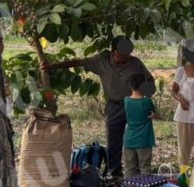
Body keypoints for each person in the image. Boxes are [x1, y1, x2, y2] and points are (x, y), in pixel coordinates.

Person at [45, 36, 156, 178]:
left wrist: (146, 97)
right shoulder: (101, 61)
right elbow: (78, 62)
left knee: (139, 137)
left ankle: (141, 171)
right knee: (113, 138)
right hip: (114, 105)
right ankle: (115, 172)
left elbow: (150, 79)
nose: (126, 58)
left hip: (134, 105)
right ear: (113, 51)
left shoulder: (135, 63)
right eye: (122, 55)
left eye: (128, 55)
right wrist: (52, 67)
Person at [123, 73, 158, 177]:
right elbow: (155, 114)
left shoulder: (126, 101)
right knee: (145, 167)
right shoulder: (147, 101)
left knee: (129, 168)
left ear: (130, 86)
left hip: (129, 140)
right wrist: (154, 115)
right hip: (144, 140)